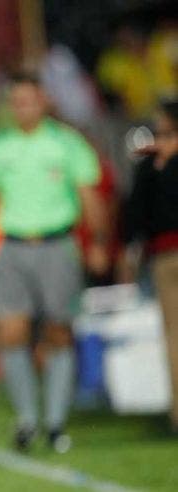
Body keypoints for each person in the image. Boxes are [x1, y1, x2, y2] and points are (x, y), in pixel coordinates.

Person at [0, 73, 108, 453]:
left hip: (57, 243)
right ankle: (28, 420)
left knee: (59, 333)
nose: (23, 108)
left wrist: (97, 241)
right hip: (14, 246)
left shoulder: (67, 143)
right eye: (16, 102)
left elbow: (88, 194)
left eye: (29, 100)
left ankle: (55, 423)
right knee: (12, 332)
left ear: (44, 101)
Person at [122, 100, 178, 434]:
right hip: (164, 257)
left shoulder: (149, 166)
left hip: (164, 256)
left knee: (174, 336)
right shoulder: (151, 165)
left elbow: (134, 218)